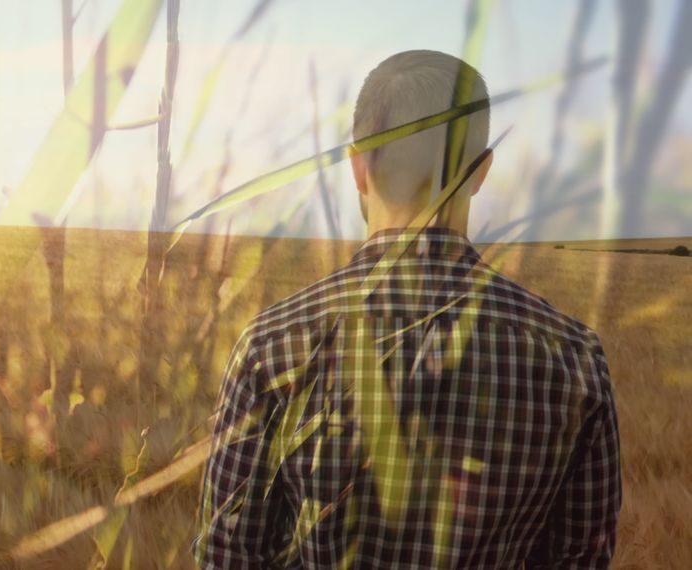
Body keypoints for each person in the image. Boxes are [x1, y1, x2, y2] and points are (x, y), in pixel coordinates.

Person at [192, 50, 621, 568]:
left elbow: (227, 557)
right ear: (481, 172)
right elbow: (582, 558)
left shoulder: (272, 346)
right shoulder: (573, 358)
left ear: (357, 166)